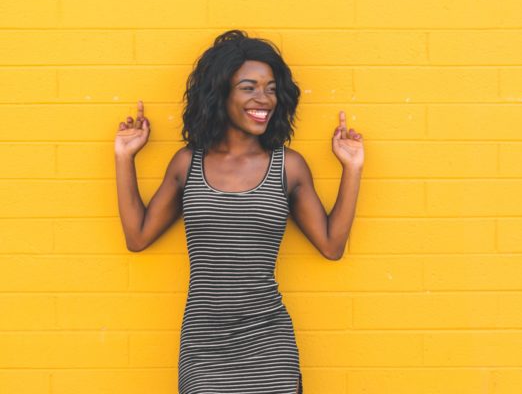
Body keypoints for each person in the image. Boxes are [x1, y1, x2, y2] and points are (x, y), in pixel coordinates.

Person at [113, 29, 364, 393]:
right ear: (221, 93)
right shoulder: (187, 164)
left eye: (271, 88)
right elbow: (137, 237)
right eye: (248, 87)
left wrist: (352, 168)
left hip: (269, 344)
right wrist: (124, 158)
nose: (263, 98)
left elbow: (331, 245)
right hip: (204, 349)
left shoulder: (288, 166)